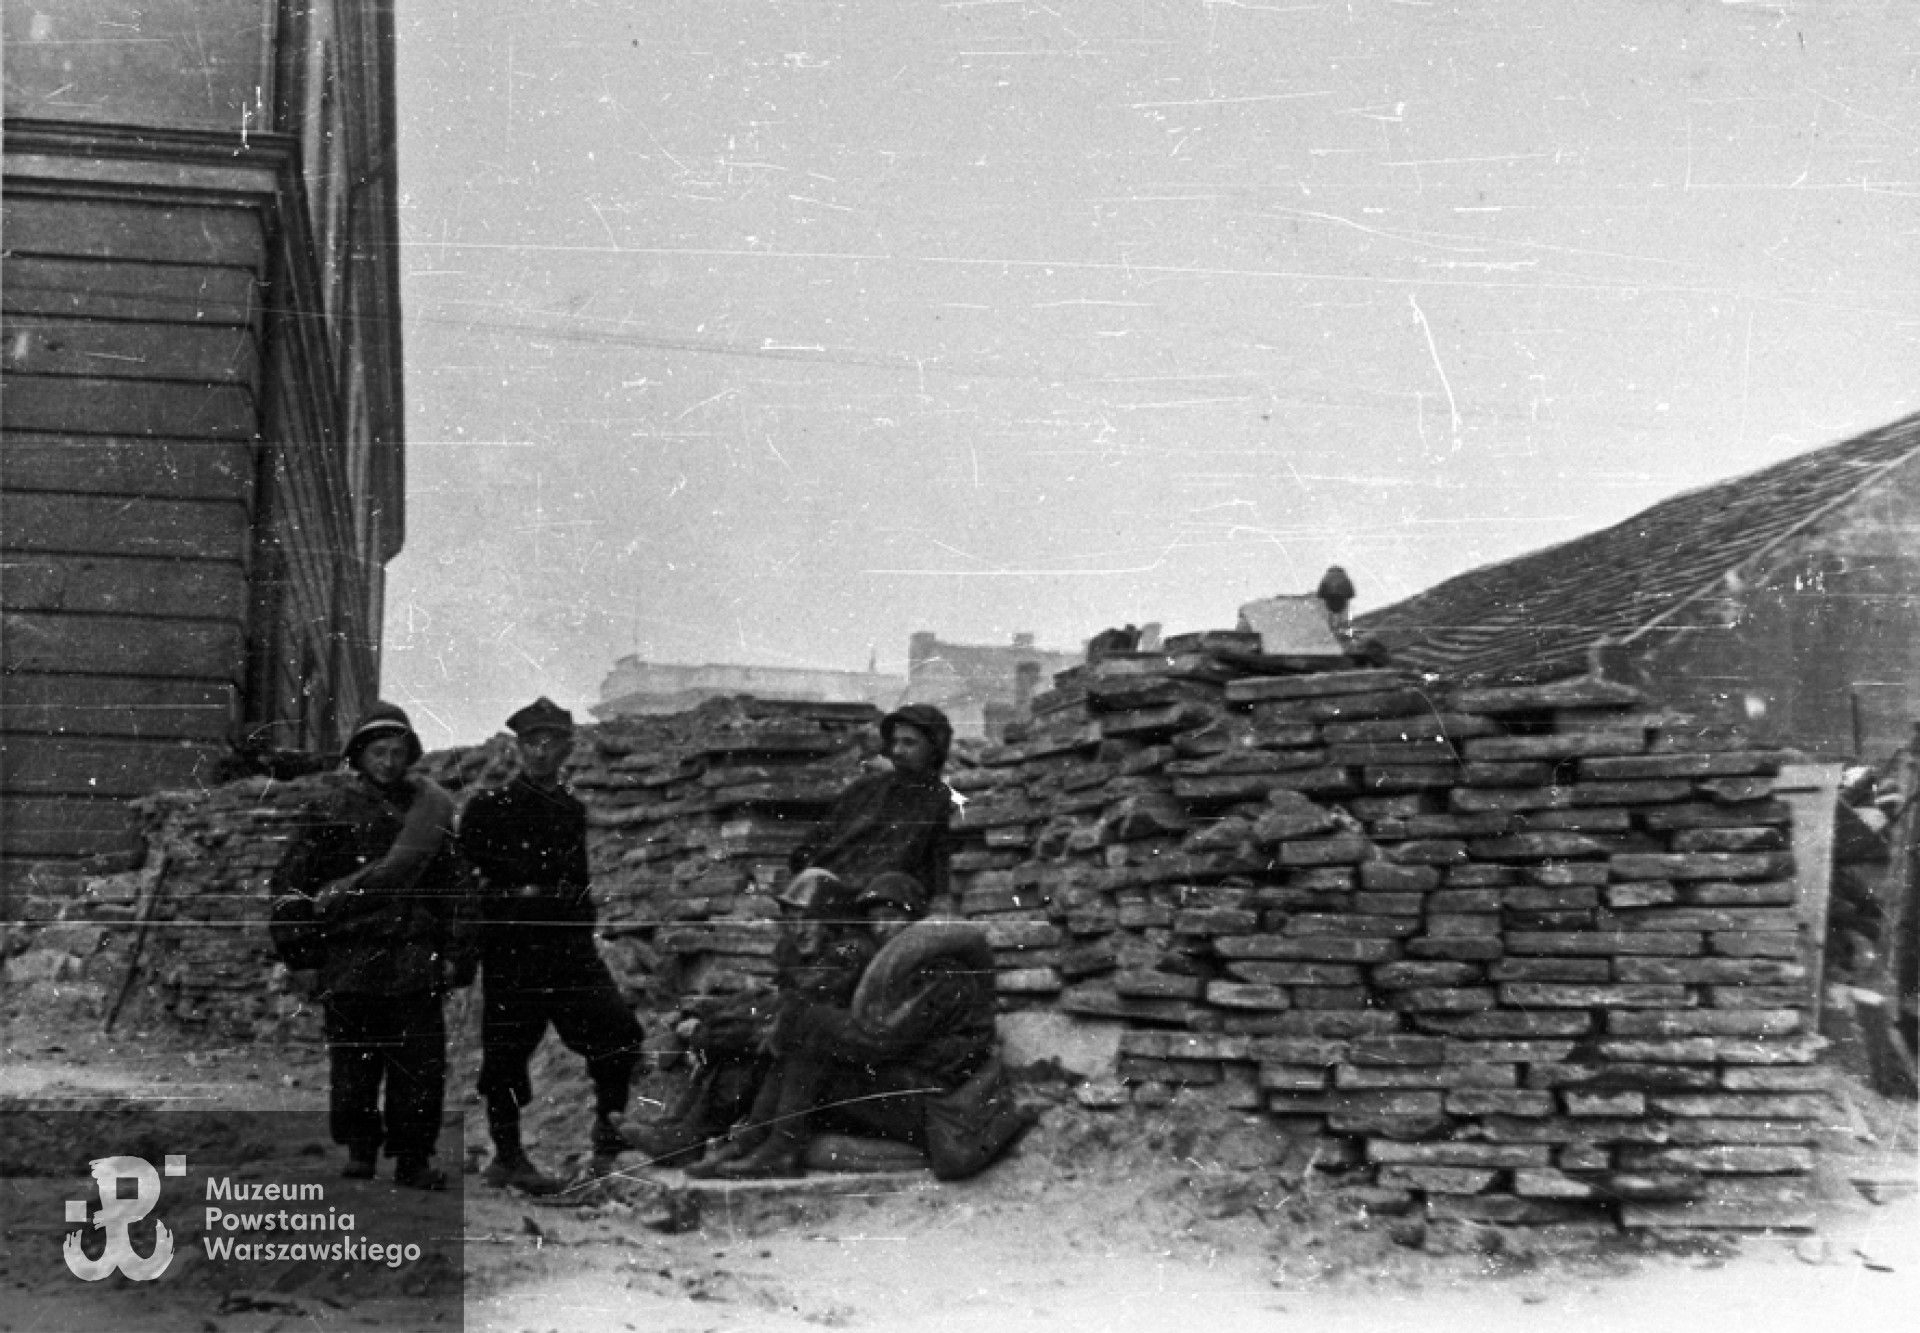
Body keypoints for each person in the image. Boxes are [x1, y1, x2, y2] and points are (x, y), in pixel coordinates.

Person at [271, 703, 475, 1189]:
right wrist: (300, 958)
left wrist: (456, 956)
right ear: (359, 755)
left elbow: (459, 890)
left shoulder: (428, 815)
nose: (388, 761)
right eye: (379, 751)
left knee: (420, 1069)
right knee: (354, 1064)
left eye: (398, 752)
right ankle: (361, 1150)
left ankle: (413, 1159)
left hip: (412, 958)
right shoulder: (328, 811)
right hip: (352, 959)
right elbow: (290, 888)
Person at [458, 697, 647, 1192]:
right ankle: (508, 1156)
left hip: (567, 947)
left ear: (566, 748)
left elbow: (578, 882)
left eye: (551, 743)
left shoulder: (569, 809)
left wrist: (582, 933)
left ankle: (608, 1141)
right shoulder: (487, 808)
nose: (541, 753)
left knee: (619, 1032)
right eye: (531, 743)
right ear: (518, 747)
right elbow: (466, 885)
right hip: (514, 945)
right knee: (506, 1053)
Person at [699, 875, 1000, 1180]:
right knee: (805, 1039)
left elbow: (880, 1040)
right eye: (874, 920)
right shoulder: (908, 969)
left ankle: (778, 1149)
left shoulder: (942, 974)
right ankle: (755, 1141)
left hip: (939, 1103)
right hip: (915, 1087)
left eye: (891, 917)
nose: (881, 928)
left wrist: (809, 1019)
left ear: (915, 918)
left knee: (811, 1040)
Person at [621, 868, 879, 1167]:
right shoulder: (809, 955)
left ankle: (688, 1138)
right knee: (731, 1045)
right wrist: (706, 1013)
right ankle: (681, 1131)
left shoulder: (849, 953)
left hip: (834, 1076)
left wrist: (720, 1026)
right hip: (805, 1066)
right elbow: (769, 997)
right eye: (792, 921)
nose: (799, 930)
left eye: (808, 919)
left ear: (831, 920)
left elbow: (791, 1006)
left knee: (743, 1052)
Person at [789, 703, 957, 909]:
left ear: (934, 750)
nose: (897, 751)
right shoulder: (864, 789)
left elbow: (937, 876)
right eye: (894, 742)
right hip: (825, 895)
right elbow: (813, 843)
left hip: (884, 906)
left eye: (909, 743)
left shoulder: (942, 802)